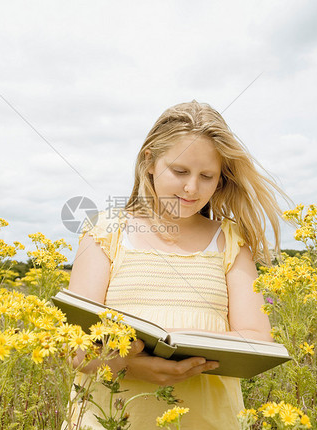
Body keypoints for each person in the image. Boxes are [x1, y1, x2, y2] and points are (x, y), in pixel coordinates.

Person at [66, 100, 287, 429]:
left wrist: (185, 339)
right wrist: (132, 365)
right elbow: (74, 348)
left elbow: (258, 338)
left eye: (207, 176)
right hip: (108, 419)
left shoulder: (230, 241)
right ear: (150, 161)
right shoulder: (105, 231)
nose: (191, 188)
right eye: (180, 171)